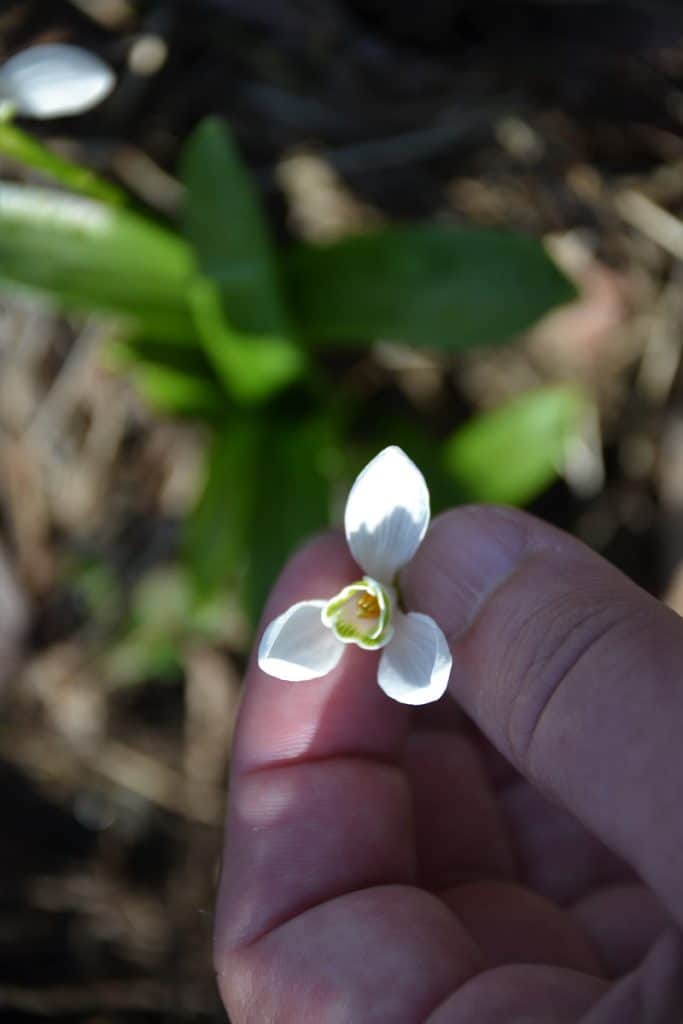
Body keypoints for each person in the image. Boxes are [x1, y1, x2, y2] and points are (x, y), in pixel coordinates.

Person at [214, 505, 683, 1022]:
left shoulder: (407, 641)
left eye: (367, 605)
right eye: (362, 607)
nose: (363, 606)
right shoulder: (400, 654)